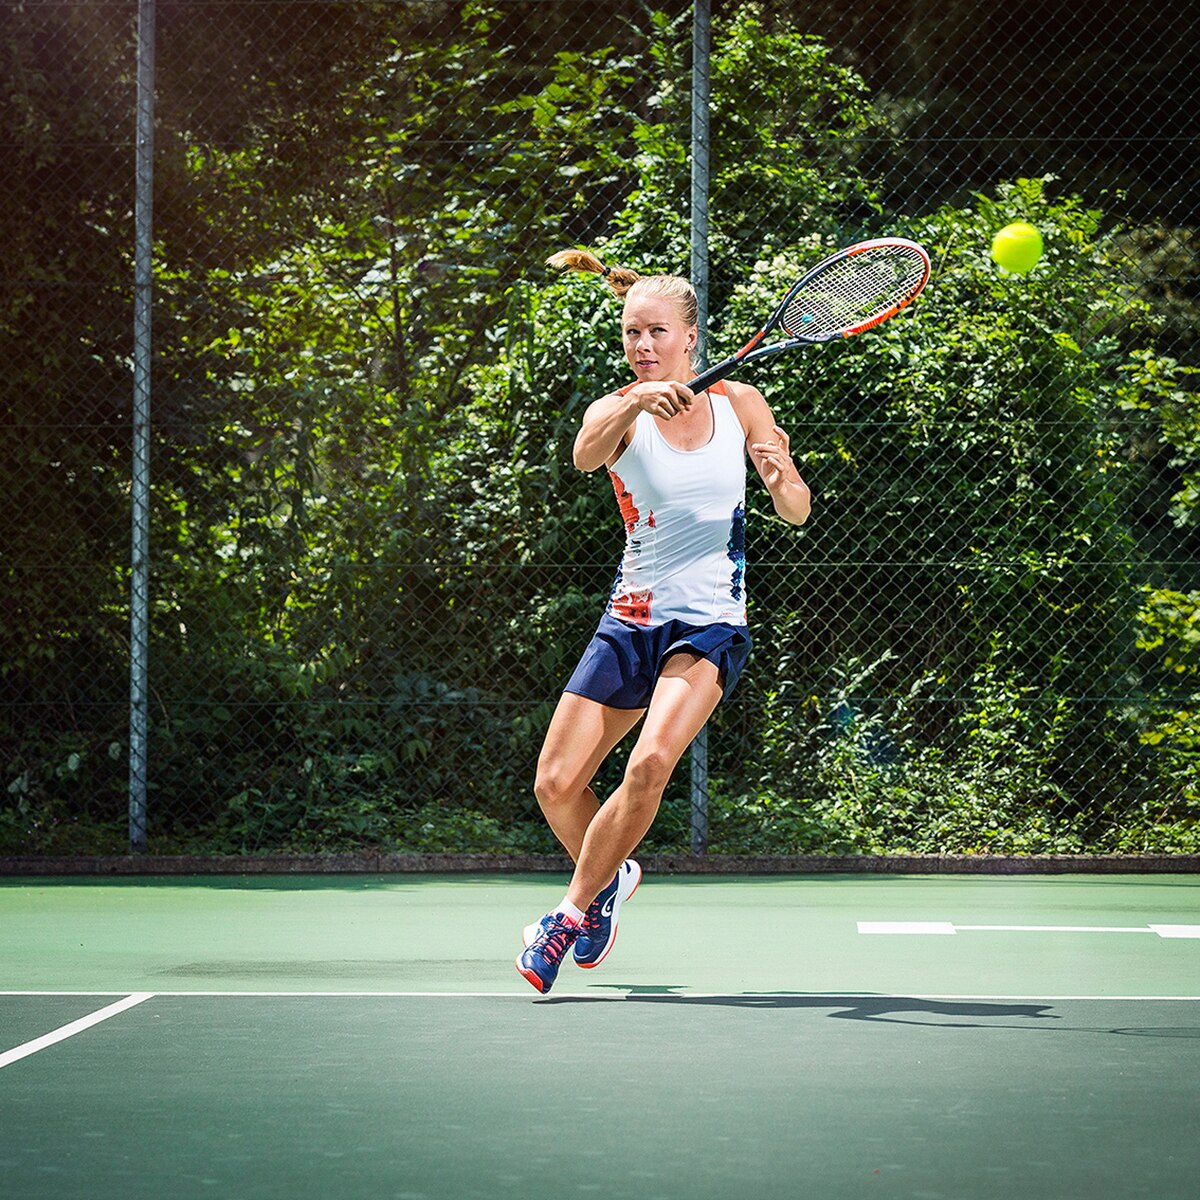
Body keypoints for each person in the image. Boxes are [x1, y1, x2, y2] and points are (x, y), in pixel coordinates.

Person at [516, 248, 810, 994]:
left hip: (709, 623)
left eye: (655, 333)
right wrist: (635, 403)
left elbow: (797, 508)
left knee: (649, 765)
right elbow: (586, 458)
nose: (641, 346)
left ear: (690, 338)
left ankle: (568, 913)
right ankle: (611, 879)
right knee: (555, 784)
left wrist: (779, 477)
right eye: (630, 334)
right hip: (630, 619)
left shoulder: (740, 401)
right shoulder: (613, 412)